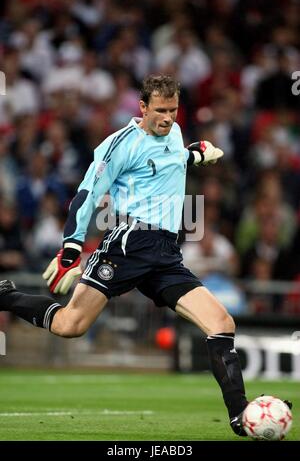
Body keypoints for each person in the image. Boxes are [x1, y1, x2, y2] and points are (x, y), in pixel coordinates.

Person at [0, 74, 250, 436]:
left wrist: (195, 154)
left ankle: (240, 415)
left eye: (174, 110)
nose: (168, 118)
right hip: (129, 244)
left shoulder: (175, 134)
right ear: (143, 107)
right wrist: (71, 247)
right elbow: (86, 194)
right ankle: (6, 297)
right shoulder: (119, 145)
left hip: (166, 254)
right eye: (160, 111)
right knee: (72, 325)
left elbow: (170, 160)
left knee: (222, 323)